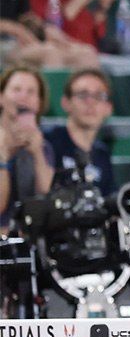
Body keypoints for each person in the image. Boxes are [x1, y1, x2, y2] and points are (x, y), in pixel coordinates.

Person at [43, 68, 116, 194]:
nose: (90, 102)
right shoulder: (48, 142)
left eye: (99, 96)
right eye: (83, 95)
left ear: (108, 108)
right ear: (66, 103)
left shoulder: (102, 153)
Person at [0, 66, 54, 228]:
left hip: (26, 237)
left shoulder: (43, 147)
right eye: (16, 89)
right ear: (1, 97)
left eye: (31, 92)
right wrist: (2, 158)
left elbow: (46, 196)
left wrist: (37, 153)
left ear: (39, 103)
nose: (23, 97)